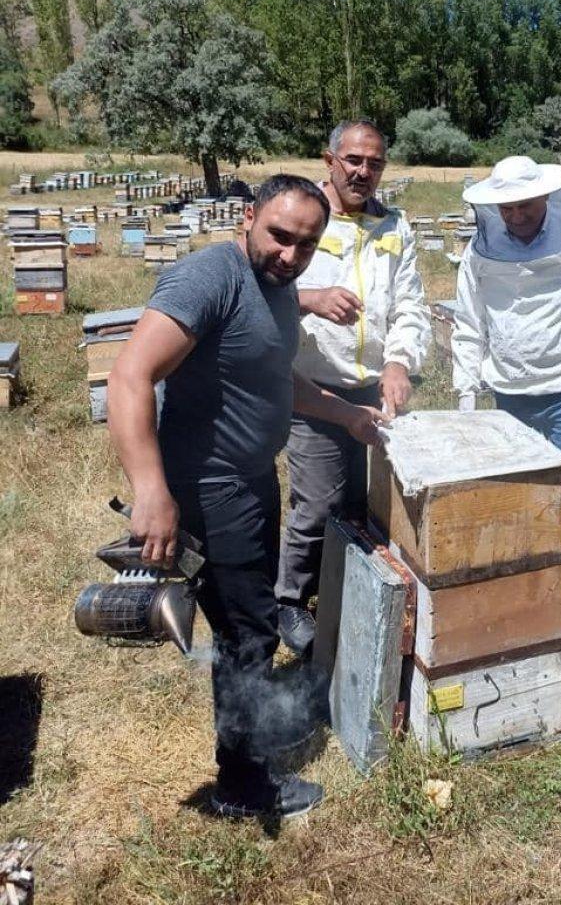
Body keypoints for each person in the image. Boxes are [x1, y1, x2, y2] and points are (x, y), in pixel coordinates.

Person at [107, 174, 386, 820]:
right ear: (248, 217)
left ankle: (245, 759)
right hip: (209, 487)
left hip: (252, 480)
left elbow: (272, 375)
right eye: (279, 236)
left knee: (248, 625)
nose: (289, 254)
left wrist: (345, 414)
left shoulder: (276, 287)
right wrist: (151, 490)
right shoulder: (211, 277)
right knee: (247, 635)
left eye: (305, 245)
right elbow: (129, 374)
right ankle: (242, 785)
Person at [451, 156, 561, 640]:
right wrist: (467, 390)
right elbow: (469, 324)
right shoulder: (480, 251)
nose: (516, 216)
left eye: (525, 206)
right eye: (506, 208)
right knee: (522, 496)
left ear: (546, 198)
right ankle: (534, 587)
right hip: (510, 393)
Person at [276, 120, 431, 657]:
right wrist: (311, 298)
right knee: (318, 502)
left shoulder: (394, 226)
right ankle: (291, 599)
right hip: (314, 387)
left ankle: (354, 589)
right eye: (354, 161)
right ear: (330, 160)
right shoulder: (300, 216)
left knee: (377, 504)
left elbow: (410, 304)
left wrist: (399, 362)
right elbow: (258, 288)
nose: (364, 172)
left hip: (376, 389)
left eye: (375, 163)